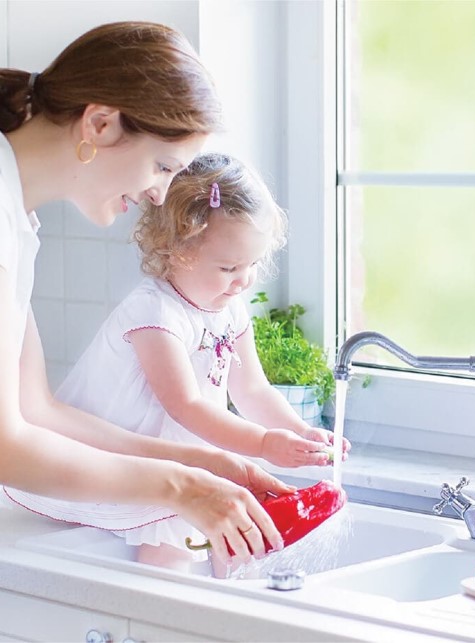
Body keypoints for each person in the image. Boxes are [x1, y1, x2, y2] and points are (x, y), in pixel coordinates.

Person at [0, 20, 304, 567]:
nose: (158, 195)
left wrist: (203, 465)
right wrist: (179, 487)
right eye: (163, 166)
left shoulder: (16, 219)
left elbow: (36, 411)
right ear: (100, 123)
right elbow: (7, 447)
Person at [6, 152, 350, 574]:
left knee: (225, 533)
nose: (244, 280)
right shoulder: (154, 314)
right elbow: (185, 405)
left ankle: (222, 612)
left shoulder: (230, 308)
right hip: (125, 461)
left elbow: (253, 390)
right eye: (229, 267)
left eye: (253, 264)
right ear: (175, 250)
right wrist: (263, 444)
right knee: (169, 542)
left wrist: (298, 433)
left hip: (183, 458)